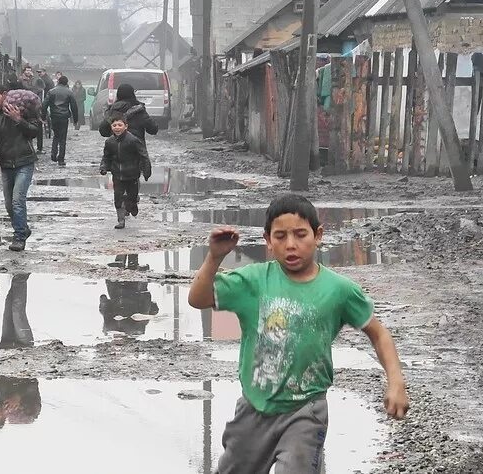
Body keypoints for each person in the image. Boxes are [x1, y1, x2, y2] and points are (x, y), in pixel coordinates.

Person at [187, 194, 410, 473]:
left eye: (300, 234)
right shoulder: (254, 281)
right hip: (254, 408)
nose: (291, 245)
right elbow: (197, 299)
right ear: (267, 240)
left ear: (318, 235)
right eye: (280, 236)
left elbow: (378, 333)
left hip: (306, 409)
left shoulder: (338, 290)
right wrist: (214, 258)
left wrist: (396, 381)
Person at [0, 83, 40, 252]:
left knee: (17, 200)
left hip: (25, 162)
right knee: (9, 205)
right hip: (6, 165)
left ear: (5, 94)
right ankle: (23, 227)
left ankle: (19, 237)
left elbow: (35, 131)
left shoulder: (22, 112)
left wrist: (18, 120)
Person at [100, 115, 152, 230]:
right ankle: (121, 220)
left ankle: (132, 205)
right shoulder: (109, 142)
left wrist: (146, 170)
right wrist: (104, 167)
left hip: (132, 174)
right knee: (118, 197)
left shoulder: (133, 140)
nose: (117, 128)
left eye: (120, 125)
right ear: (111, 127)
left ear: (126, 126)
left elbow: (143, 155)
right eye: (114, 125)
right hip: (117, 175)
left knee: (132, 197)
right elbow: (106, 157)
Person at [97, 83, 159, 150]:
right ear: (133, 94)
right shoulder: (139, 110)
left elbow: (103, 131)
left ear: (118, 95)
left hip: (117, 149)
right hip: (136, 149)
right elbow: (153, 129)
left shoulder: (112, 110)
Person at [45, 75, 79, 167]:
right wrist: (75, 120)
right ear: (66, 83)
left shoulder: (51, 91)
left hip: (54, 116)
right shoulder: (69, 92)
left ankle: (53, 154)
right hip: (64, 117)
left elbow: (45, 104)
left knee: (56, 136)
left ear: (58, 81)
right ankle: (61, 159)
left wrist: (43, 116)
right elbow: (74, 107)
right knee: (63, 139)